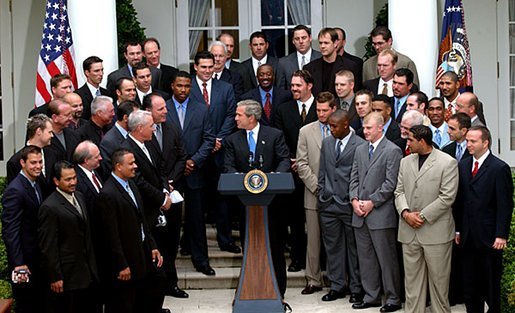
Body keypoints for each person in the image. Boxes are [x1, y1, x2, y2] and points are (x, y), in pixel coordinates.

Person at [224, 99, 290, 298]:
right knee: (250, 246)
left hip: (272, 205)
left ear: (251, 117)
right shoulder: (232, 140)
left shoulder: (274, 135)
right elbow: (228, 167)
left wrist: (275, 178)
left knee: (275, 246)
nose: (235, 118)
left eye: (239, 115)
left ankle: (278, 289)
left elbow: (284, 160)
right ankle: (251, 286)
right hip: (246, 207)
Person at [395, 125, 458, 313]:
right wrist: (406, 213)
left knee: (439, 285)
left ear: (422, 141)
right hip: (408, 231)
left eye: (410, 140)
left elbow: (447, 197)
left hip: (436, 233)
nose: (407, 143)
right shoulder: (405, 162)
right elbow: (398, 191)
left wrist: (420, 216)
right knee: (412, 285)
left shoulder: (447, 162)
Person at [96, 149, 169, 313]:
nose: (135, 166)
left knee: (156, 283)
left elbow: (142, 220)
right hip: (126, 258)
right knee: (124, 302)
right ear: (118, 166)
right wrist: (121, 265)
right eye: (131, 163)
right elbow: (110, 235)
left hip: (141, 251)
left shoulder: (133, 185)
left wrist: (152, 246)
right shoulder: (108, 194)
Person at [454, 126, 513, 313]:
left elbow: (505, 204)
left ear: (485, 143)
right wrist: (458, 229)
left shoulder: (499, 167)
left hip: (489, 238)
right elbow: (460, 201)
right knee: (471, 286)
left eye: (473, 141)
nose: (468, 144)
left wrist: (501, 234)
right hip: (468, 236)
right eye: (467, 140)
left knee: (491, 284)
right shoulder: (463, 165)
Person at [349, 112, 403, 312]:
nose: (365, 131)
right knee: (366, 258)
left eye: (369, 128)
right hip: (359, 214)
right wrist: (354, 200)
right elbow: (353, 177)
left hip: (380, 214)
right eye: (364, 127)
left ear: (381, 127)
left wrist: (372, 202)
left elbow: (391, 184)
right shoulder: (360, 149)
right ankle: (371, 296)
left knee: (386, 259)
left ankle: (392, 298)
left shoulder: (392, 151)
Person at [165, 71, 217, 272]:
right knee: (171, 222)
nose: (183, 90)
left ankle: (201, 261)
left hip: (195, 172)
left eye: (187, 86)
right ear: (172, 86)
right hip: (171, 174)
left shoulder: (202, 109)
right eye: (180, 86)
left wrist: (193, 161)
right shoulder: (163, 108)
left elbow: (209, 139)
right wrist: (178, 164)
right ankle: (168, 266)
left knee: (196, 219)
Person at [142, 93, 189, 297]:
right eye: (160, 109)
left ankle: (172, 283)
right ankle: (157, 286)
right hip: (153, 199)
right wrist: (161, 186)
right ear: (148, 111)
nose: (166, 111)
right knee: (156, 244)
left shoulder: (171, 127)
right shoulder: (142, 134)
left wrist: (171, 181)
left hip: (173, 192)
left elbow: (182, 155)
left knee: (171, 243)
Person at [38, 161, 100, 313]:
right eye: (67, 179)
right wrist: (55, 276)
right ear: (56, 181)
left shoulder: (79, 196)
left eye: (74, 178)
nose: (73, 182)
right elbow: (48, 246)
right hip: (68, 276)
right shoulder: (49, 207)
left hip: (86, 272)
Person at [318, 109, 365, 303]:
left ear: (346, 125)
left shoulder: (360, 145)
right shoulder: (327, 142)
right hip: (328, 204)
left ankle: (356, 287)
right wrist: (322, 192)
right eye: (329, 126)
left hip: (348, 204)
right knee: (333, 248)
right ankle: (337, 286)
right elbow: (323, 171)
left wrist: (354, 199)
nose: (331, 130)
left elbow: (361, 176)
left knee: (354, 249)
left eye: (334, 126)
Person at [274, 69, 318, 272]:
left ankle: (320, 261)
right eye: (292, 85)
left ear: (309, 85)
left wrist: (304, 162)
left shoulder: (321, 107)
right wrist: (293, 160)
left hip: (317, 172)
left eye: (298, 85)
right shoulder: (283, 109)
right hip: (292, 172)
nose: (294, 89)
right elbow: (279, 138)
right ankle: (297, 258)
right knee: (295, 219)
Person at [296, 91, 336, 295]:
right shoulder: (305, 131)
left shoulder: (346, 130)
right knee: (313, 240)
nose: (321, 114)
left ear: (333, 109)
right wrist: (317, 186)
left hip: (338, 196)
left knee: (337, 240)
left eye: (324, 110)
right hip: (313, 194)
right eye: (318, 110)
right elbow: (301, 163)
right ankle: (313, 280)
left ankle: (339, 280)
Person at [2, 146, 46, 313]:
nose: (38, 166)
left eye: (40, 162)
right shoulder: (15, 190)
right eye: (33, 162)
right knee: (26, 305)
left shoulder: (37, 182)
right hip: (24, 262)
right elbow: (10, 230)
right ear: (22, 163)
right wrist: (19, 264)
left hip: (37, 258)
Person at [304, 28, 362, 97]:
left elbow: (356, 92)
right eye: (320, 43)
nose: (322, 46)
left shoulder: (350, 66)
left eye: (326, 43)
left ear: (335, 43)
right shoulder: (309, 68)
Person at [99, 100, 139, 178]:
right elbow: (110, 170)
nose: (139, 120)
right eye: (136, 117)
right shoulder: (109, 141)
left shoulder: (134, 133)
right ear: (126, 118)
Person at [276, 24, 322, 90]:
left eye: (304, 38)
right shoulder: (283, 63)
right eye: (297, 39)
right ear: (293, 41)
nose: (301, 41)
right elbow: (281, 91)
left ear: (310, 38)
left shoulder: (321, 58)